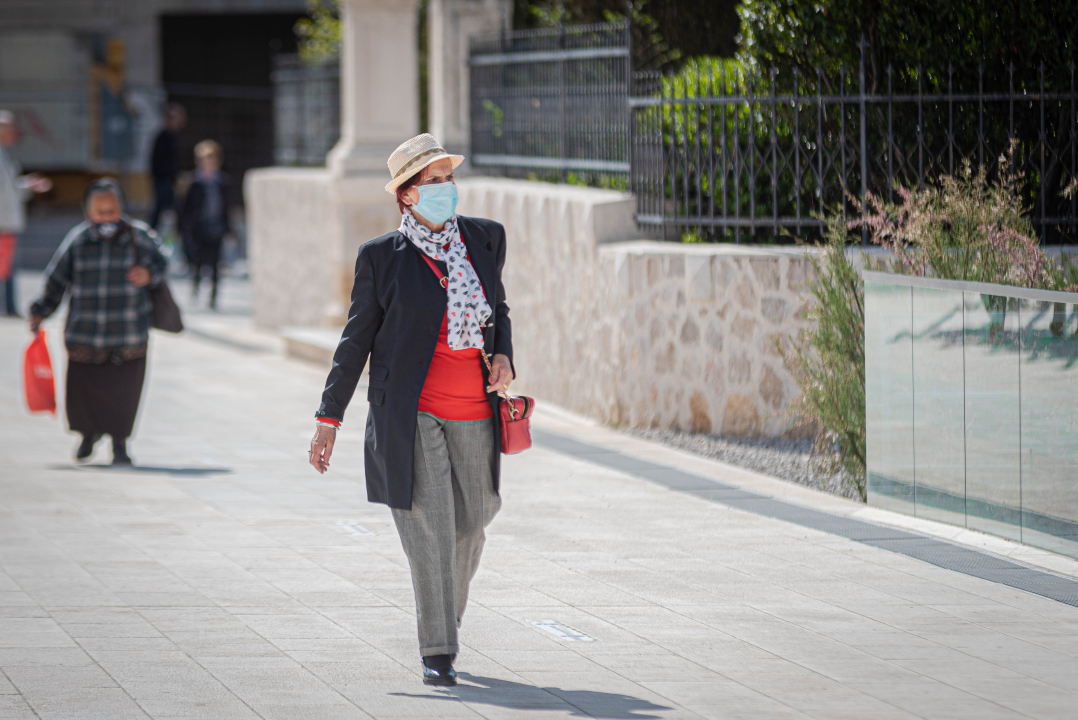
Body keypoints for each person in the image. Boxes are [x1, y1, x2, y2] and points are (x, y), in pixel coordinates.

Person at [308, 134, 515, 687]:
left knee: (475, 520)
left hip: (475, 406)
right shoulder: (382, 257)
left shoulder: (485, 239)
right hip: (411, 409)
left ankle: (444, 617)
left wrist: (503, 355)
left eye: (448, 178)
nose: (445, 189)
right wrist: (329, 419)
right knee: (431, 527)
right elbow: (355, 341)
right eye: (432, 181)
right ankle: (438, 648)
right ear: (406, 195)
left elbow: (498, 307)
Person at [29, 178, 167, 466]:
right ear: (87, 212)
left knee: (123, 393)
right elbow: (56, 280)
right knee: (85, 393)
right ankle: (88, 435)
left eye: (112, 211)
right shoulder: (77, 240)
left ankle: (120, 445)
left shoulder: (138, 236)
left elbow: (163, 262)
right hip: (85, 334)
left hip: (128, 333)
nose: (107, 217)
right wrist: (41, 309)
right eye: (100, 211)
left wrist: (148, 274)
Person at [0, 110, 52, 317]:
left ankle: (9, 307)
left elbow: (9, 191)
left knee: (8, 268)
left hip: (8, 222)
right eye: (9, 127)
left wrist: (28, 186)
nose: (14, 132)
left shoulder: (5, 156)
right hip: (2, 223)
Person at [178, 140, 233, 309]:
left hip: (216, 227)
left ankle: (213, 297)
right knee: (197, 262)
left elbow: (227, 208)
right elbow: (183, 208)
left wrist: (229, 229)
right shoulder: (192, 182)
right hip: (198, 228)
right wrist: (182, 229)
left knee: (216, 263)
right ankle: (195, 289)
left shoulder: (223, 182)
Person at [149, 103, 186, 231]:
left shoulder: (173, 137)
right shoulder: (162, 138)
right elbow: (159, 164)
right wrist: (172, 177)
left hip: (168, 181)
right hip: (163, 181)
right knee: (162, 211)